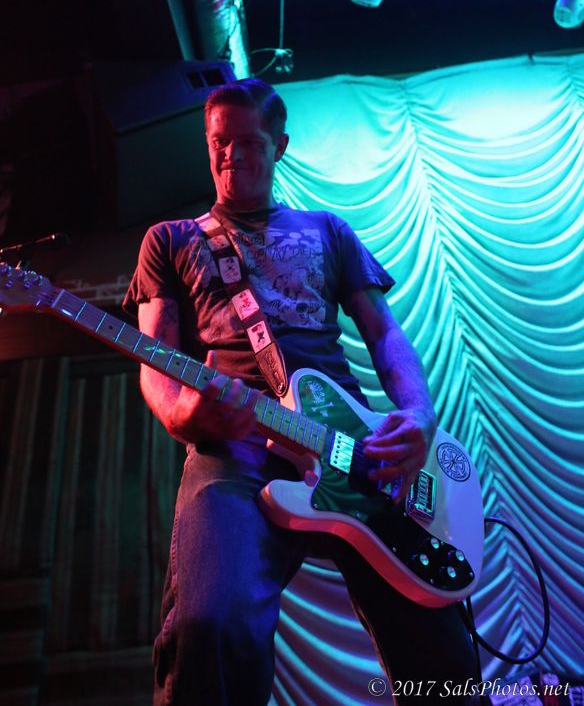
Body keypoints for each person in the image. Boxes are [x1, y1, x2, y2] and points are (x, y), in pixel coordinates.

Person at [123, 79, 478, 705]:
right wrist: (182, 416)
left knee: (441, 650)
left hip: (349, 444)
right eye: (219, 142)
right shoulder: (170, 239)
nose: (231, 155)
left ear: (280, 145)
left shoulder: (328, 229)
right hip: (234, 444)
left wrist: (418, 415)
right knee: (210, 626)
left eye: (249, 142)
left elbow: (383, 333)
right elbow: (155, 356)